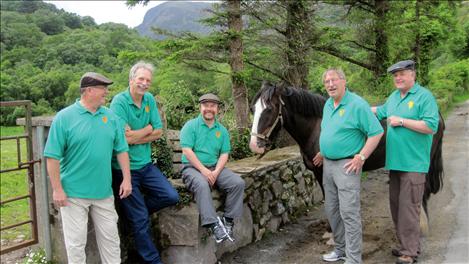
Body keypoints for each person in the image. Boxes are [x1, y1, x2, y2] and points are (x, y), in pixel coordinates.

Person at [44, 72, 132, 264]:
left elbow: (122, 149)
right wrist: (57, 189)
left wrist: (127, 179)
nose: (106, 93)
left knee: (111, 241)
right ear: (89, 91)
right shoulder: (64, 117)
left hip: (103, 193)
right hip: (73, 194)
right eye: (103, 89)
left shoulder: (110, 117)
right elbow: (52, 157)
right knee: (76, 245)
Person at [110, 61, 179, 264]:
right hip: (124, 169)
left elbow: (158, 131)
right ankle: (153, 261)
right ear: (132, 79)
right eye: (141, 79)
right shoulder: (119, 102)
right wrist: (147, 129)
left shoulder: (148, 99)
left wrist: (141, 133)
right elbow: (124, 140)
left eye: (148, 80)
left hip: (146, 165)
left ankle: (132, 213)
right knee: (141, 220)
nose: (145, 83)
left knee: (171, 195)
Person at [313, 68, 384, 264]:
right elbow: (330, 130)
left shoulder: (357, 104)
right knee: (332, 210)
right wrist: (323, 151)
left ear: (344, 81)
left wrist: (361, 156)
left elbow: (376, 132)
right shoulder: (328, 104)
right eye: (326, 81)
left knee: (349, 212)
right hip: (328, 164)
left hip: (347, 166)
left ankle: (353, 259)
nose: (330, 84)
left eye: (334, 80)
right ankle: (341, 250)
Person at [371, 60, 439, 264]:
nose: (398, 78)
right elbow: (380, 111)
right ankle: (404, 245)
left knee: (409, 208)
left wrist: (402, 121)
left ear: (413, 75)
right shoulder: (394, 97)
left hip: (413, 164)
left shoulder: (423, 96)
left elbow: (431, 126)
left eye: (402, 74)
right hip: (395, 164)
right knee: (397, 207)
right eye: (395, 75)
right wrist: (357, 107)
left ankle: (410, 251)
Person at [180, 93, 245, 243]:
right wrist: (204, 171)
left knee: (238, 183)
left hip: (215, 167)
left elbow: (224, 153)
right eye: (206, 105)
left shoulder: (221, 130)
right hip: (192, 168)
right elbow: (187, 151)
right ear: (200, 107)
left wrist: (215, 172)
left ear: (218, 109)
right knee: (202, 184)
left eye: (212, 106)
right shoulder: (191, 126)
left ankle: (228, 221)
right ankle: (214, 225)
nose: (209, 109)